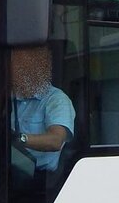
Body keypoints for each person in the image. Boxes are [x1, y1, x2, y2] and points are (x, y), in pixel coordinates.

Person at [9, 45, 74, 173]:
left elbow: (56, 141)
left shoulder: (57, 100)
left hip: (37, 177)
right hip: (4, 171)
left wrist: (18, 139)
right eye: (17, 66)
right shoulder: (4, 98)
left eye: (25, 66)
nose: (19, 71)